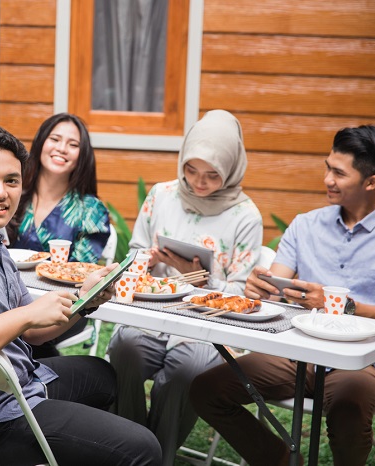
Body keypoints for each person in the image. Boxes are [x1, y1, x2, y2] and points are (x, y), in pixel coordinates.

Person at [0, 123, 162, 466]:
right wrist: (26, 314)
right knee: (144, 448)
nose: (1, 192)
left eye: (11, 181)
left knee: (102, 375)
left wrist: (84, 301)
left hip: (16, 384)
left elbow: (32, 331)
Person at [190, 125, 375, 466]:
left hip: (359, 362)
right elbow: (273, 287)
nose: (327, 179)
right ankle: (279, 459)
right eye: (327, 168)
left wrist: (339, 304)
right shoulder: (305, 225)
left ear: (371, 182)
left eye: (339, 173)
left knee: (349, 411)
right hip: (292, 352)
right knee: (205, 390)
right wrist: (257, 288)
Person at [106, 109, 263, 465]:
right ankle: (130, 448)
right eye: (190, 170)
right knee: (126, 347)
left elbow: (241, 293)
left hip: (207, 327)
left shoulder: (245, 216)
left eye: (211, 174)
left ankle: (156, 457)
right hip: (152, 313)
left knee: (187, 370)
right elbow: (134, 255)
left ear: (232, 168)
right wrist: (149, 257)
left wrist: (201, 278)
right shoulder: (162, 196)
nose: (198, 183)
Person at [6, 113, 111, 357]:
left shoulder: (90, 210)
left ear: (81, 156)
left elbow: (84, 272)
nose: (62, 149)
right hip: (8, 297)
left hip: (65, 303)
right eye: (55, 139)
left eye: (73, 144)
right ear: (41, 142)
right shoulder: (14, 193)